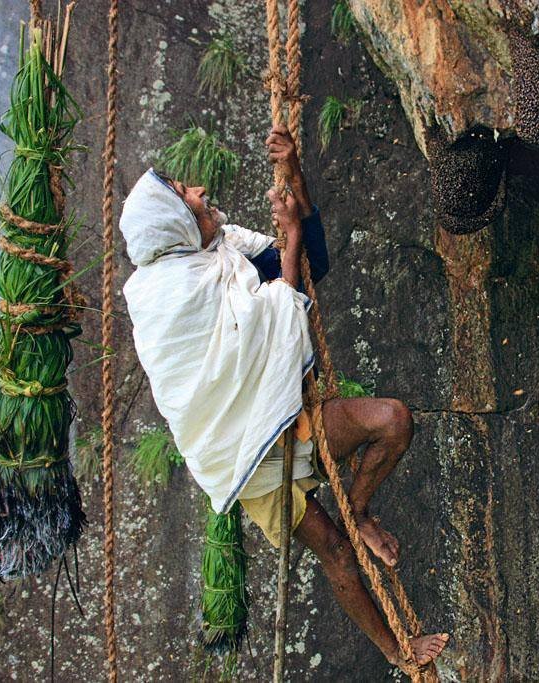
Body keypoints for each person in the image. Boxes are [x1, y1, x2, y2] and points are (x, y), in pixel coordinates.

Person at [118, 126, 449, 670]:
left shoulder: (222, 253)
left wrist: (295, 173)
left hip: (291, 418)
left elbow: (308, 267)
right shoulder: (165, 296)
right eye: (185, 193)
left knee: (394, 420)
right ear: (175, 222)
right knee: (335, 553)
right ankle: (398, 652)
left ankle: (359, 510)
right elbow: (271, 318)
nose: (200, 191)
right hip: (249, 459)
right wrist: (289, 242)